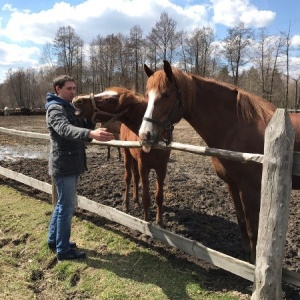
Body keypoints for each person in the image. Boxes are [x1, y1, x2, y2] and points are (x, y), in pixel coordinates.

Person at [45, 75, 114, 260]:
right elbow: (65, 129)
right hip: (64, 165)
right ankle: (64, 250)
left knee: (62, 205)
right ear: (58, 89)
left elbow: (83, 129)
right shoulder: (55, 109)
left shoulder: (69, 108)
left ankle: (54, 240)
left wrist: (91, 116)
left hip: (71, 164)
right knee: (67, 208)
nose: (73, 92)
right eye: (69, 88)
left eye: (74, 88)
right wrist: (90, 132)